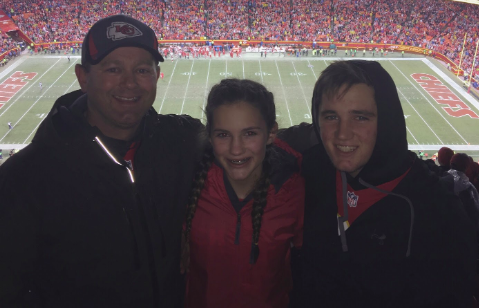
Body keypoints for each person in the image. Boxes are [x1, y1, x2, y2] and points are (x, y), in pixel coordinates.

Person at [0, 15, 205, 308]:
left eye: (142, 69)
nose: (130, 83)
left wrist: (198, 237)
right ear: (83, 77)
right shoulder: (26, 178)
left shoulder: (183, 144)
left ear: (157, 76)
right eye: (113, 69)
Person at [283, 60, 476, 307]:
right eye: (331, 116)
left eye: (360, 117)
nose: (342, 133)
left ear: (386, 121)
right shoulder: (309, 172)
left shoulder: (437, 211)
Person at [182, 79, 304, 308]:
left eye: (249, 133)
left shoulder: (293, 191)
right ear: (209, 136)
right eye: (223, 135)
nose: (236, 149)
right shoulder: (189, 186)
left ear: (271, 134)